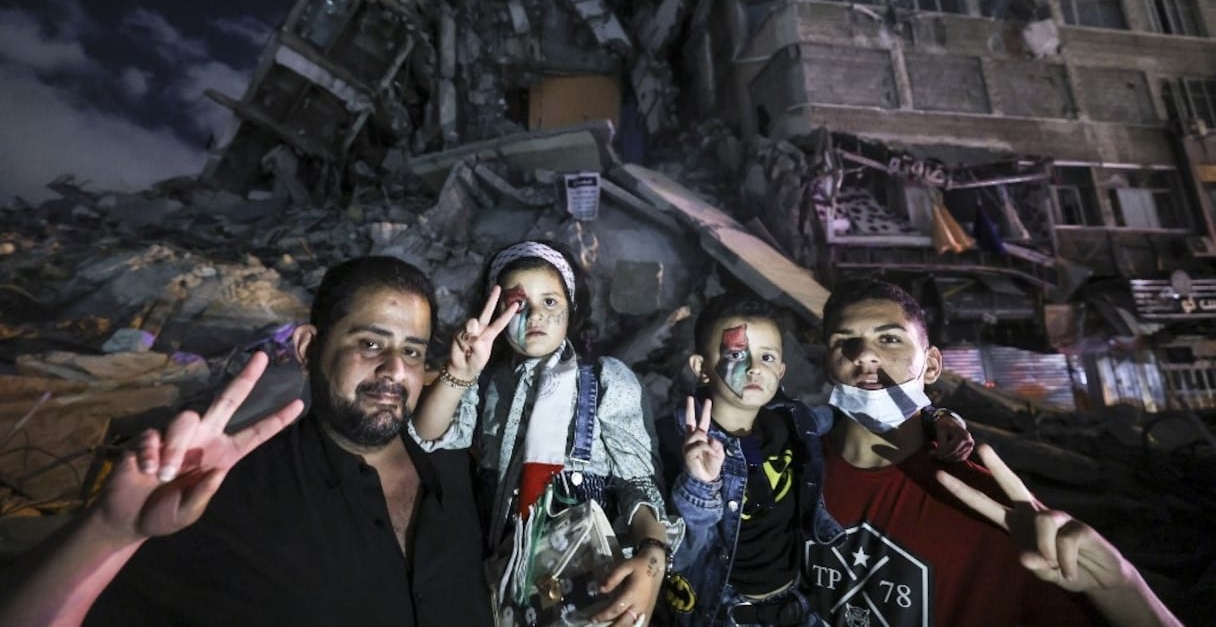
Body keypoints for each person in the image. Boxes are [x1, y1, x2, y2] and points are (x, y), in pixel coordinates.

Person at [0, 256, 494, 626]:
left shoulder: (451, 459)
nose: (394, 371)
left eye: (411, 350)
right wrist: (108, 531)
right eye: (370, 344)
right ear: (308, 347)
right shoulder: (224, 495)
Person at [805, 277, 1181, 626]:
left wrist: (1121, 585)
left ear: (932, 364)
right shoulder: (783, 469)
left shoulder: (999, 514)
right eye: (844, 341)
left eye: (889, 339)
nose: (864, 355)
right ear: (828, 361)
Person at [656, 293, 973, 627]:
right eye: (736, 354)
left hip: (792, 605)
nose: (753, 368)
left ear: (781, 370)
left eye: (766, 357)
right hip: (720, 613)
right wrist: (699, 486)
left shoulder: (793, 424)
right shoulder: (671, 443)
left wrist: (937, 416)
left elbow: (857, 411)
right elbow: (677, 553)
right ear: (700, 367)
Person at [411, 239, 680, 627]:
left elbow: (638, 484)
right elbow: (429, 434)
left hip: (596, 587)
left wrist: (651, 560)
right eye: (517, 305)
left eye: (550, 302)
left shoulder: (606, 381)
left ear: (572, 310)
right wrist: (461, 373)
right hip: (510, 590)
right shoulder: (487, 386)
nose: (535, 314)